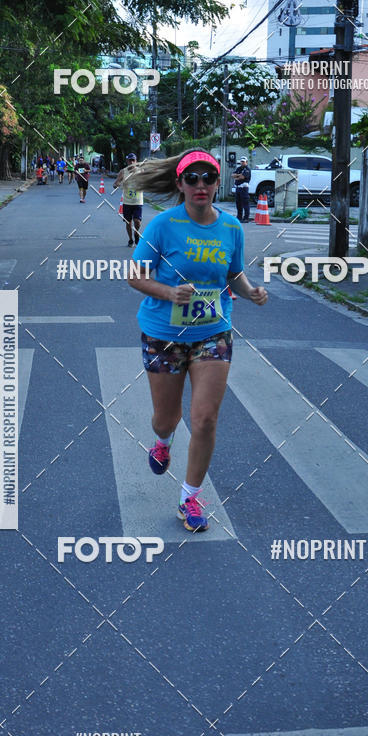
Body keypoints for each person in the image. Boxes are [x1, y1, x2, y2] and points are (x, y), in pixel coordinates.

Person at [128, 148, 268, 532]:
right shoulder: (163, 225)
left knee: (205, 418)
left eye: (208, 177)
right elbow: (136, 276)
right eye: (192, 178)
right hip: (164, 334)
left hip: (213, 332)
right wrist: (169, 292)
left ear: (217, 182)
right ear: (180, 184)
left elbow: (233, 274)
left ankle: (189, 497)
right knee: (165, 418)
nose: (200, 184)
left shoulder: (232, 228)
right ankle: (163, 440)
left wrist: (251, 291)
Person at [114, 153, 143, 246]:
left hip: (138, 201)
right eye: (130, 160)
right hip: (127, 202)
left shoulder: (141, 171)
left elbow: (147, 181)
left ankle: (136, 233)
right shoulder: (123, 172)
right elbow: (115, 183)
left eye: (133, 160)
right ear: (127, 161)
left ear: (136, 161)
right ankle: (130, 239)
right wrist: (117, 184)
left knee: (137, 222)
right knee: (128, 223)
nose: (131, 162)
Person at [232, 156, 251, 222]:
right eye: (241, 161)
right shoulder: (239, 168)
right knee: (238, 204)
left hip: (244, 188)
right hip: (238, 188)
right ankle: (239, 217)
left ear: (246, 162)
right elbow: (232, 175)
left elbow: (242, 177)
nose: (242, 163)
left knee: (245, 204)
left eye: (243, 161)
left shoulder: (247, 169)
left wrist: (237, 176)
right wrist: (239, 175)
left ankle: (246, 218)